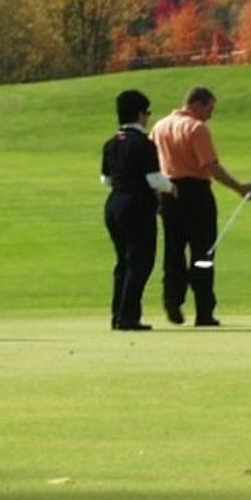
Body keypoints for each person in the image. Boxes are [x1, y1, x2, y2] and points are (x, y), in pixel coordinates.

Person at [151, 86, 251, 325]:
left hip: (168, 192)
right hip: (195, 192)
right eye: (209, 108)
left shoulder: (160, 126)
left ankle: (172, 298)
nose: (210, 114)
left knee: (173, 249)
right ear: (197, 104)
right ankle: (204, 310)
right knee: (202, 251)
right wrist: (238, 187)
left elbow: (153, 162)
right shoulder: (196, 128)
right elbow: (210, 165)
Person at [100, 87, 172, 331]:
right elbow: (154, 180)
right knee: (140, 261)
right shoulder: (143, 144)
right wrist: (171, 187)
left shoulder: (111, 144)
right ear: (140, 114)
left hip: (114, 205)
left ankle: (118, 314)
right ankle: (128, 316)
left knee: (123, 262)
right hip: (137, 206)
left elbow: (106, 180)